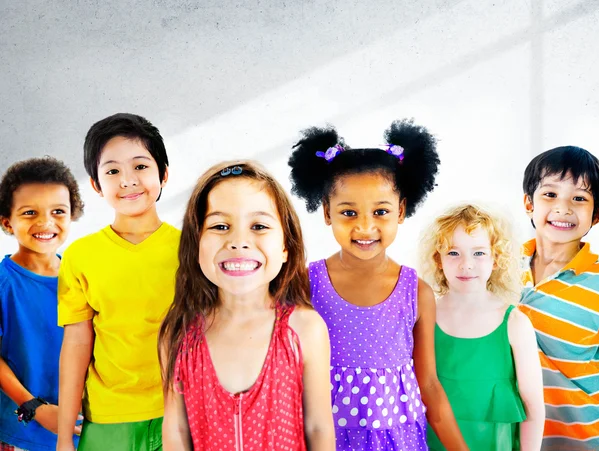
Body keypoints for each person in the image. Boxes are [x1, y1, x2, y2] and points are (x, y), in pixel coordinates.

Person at [288, 119, 467, 450]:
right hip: (324, 435)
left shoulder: (416, 291)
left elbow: (428, 382)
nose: (365, 226)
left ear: (401, 210)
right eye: (349, 213)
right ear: (327, 212)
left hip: (396, 437)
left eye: (380, 211)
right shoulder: (305, 283)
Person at [159, 161, 335, 450]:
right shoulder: (179, 333)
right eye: (220, 226)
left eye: (259, 226)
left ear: (285, 247)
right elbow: (177, 428)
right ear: (196, 244)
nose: (239, 241)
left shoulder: (304, 328)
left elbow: (318, 427)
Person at [56, 113, 180, 451]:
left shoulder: (193, 248)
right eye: (112, 171)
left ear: (164, 174)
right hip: (109, 418)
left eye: (140, 166)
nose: (128, 180)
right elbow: (77, 344)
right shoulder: (81, 255)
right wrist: (64, 435)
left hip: (182, 411)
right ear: (96, 185)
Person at [420, 204, 545, 450]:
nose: (466, 264)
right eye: (453, 253)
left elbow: (533, 407)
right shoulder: (423, 318)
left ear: (496, 259)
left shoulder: (515, 323)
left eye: (478, 253)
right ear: (438, 259)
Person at [519, 146, 599, 451]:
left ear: (596, 215)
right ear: (529, 203)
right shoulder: (497, 268)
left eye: (579, 198)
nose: (563, 208)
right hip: (510, 439)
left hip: (580, 442)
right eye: (550, 194)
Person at [0, 157, 83, 451]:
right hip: (23, 434)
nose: (45, 223)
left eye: (58, 211)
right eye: (30, 212)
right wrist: (35, 407)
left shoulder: (81, 277)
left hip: (82, 430)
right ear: (7, 221)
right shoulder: (4, 284)